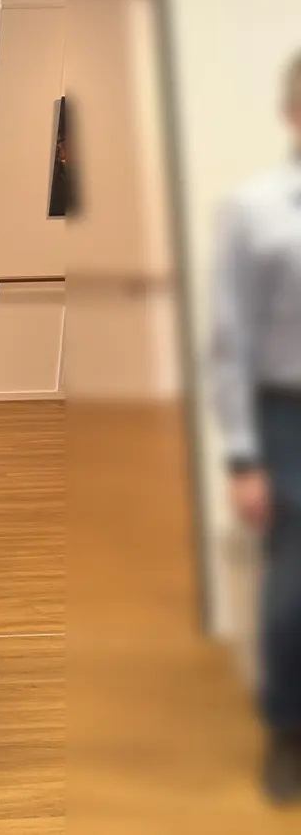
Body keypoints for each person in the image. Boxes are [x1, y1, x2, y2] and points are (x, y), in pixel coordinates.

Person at [209, 47, 301, 805]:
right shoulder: (260, 208)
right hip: (287, 417)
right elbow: (231, 337)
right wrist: (244, 455)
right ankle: (287, 730)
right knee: (293, 586)